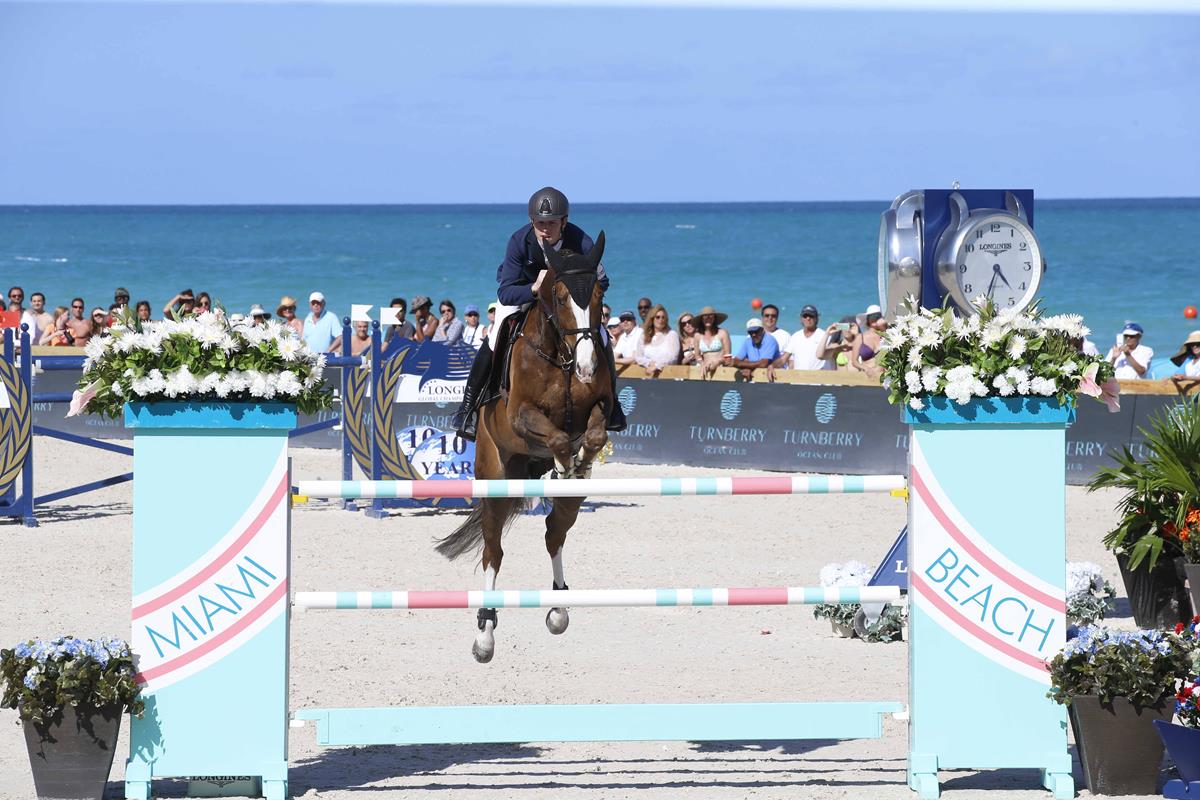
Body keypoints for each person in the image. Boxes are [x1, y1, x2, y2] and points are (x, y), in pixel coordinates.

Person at [451, 186, 624, 440]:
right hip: (524, 295)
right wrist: (534, 288)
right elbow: (505, 293)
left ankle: (614, 404)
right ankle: (468, 408)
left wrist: (576, 286)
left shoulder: (583, 242)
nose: (545, 229)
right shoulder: (519, 241)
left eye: (551, 223)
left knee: (600, 333)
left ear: (564, 222)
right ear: (532, 222)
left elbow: (602, 282)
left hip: (565, 303)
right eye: (539, 223)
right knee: (496, 331)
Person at [780, 304, 834, 371]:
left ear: (817, 318)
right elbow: (783, 359)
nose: (808, 318)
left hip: (819, 380)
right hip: (799, 380)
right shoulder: (795, 336)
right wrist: (772, 366)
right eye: (805, 316)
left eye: (811, 316)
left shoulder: (825, 336)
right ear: (801, 318)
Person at [726, 317, 780, 382]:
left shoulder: (770, 340)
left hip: (776, 377)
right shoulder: (748, 341)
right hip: (760, 378)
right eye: (750, 332)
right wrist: (745, 368)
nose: (753, 334)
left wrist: (742, 365)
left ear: (762, 330)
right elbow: (737, 360)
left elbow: (763, 364)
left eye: (756, 331)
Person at [634, 304, 681, 377]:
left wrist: (657, 366)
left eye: (663, 317)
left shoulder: (672, 334)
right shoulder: (644, 336)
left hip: (668, 376)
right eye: (658, 317)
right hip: (648, 376)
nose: (661, 320)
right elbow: (638, 357)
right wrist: (649, 363)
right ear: (652, 319)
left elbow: (673, 357)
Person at [692, 305, 732, 378]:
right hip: (705, 371)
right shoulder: (697, 335)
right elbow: (697, 356)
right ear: (701, 319)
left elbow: (728, 357)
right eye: (705, 316)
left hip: (721, 370)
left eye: (710, 316)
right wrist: (702, 363)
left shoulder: (723, 333)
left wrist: (718, 361)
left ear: (714, 318)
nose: (708, 319)